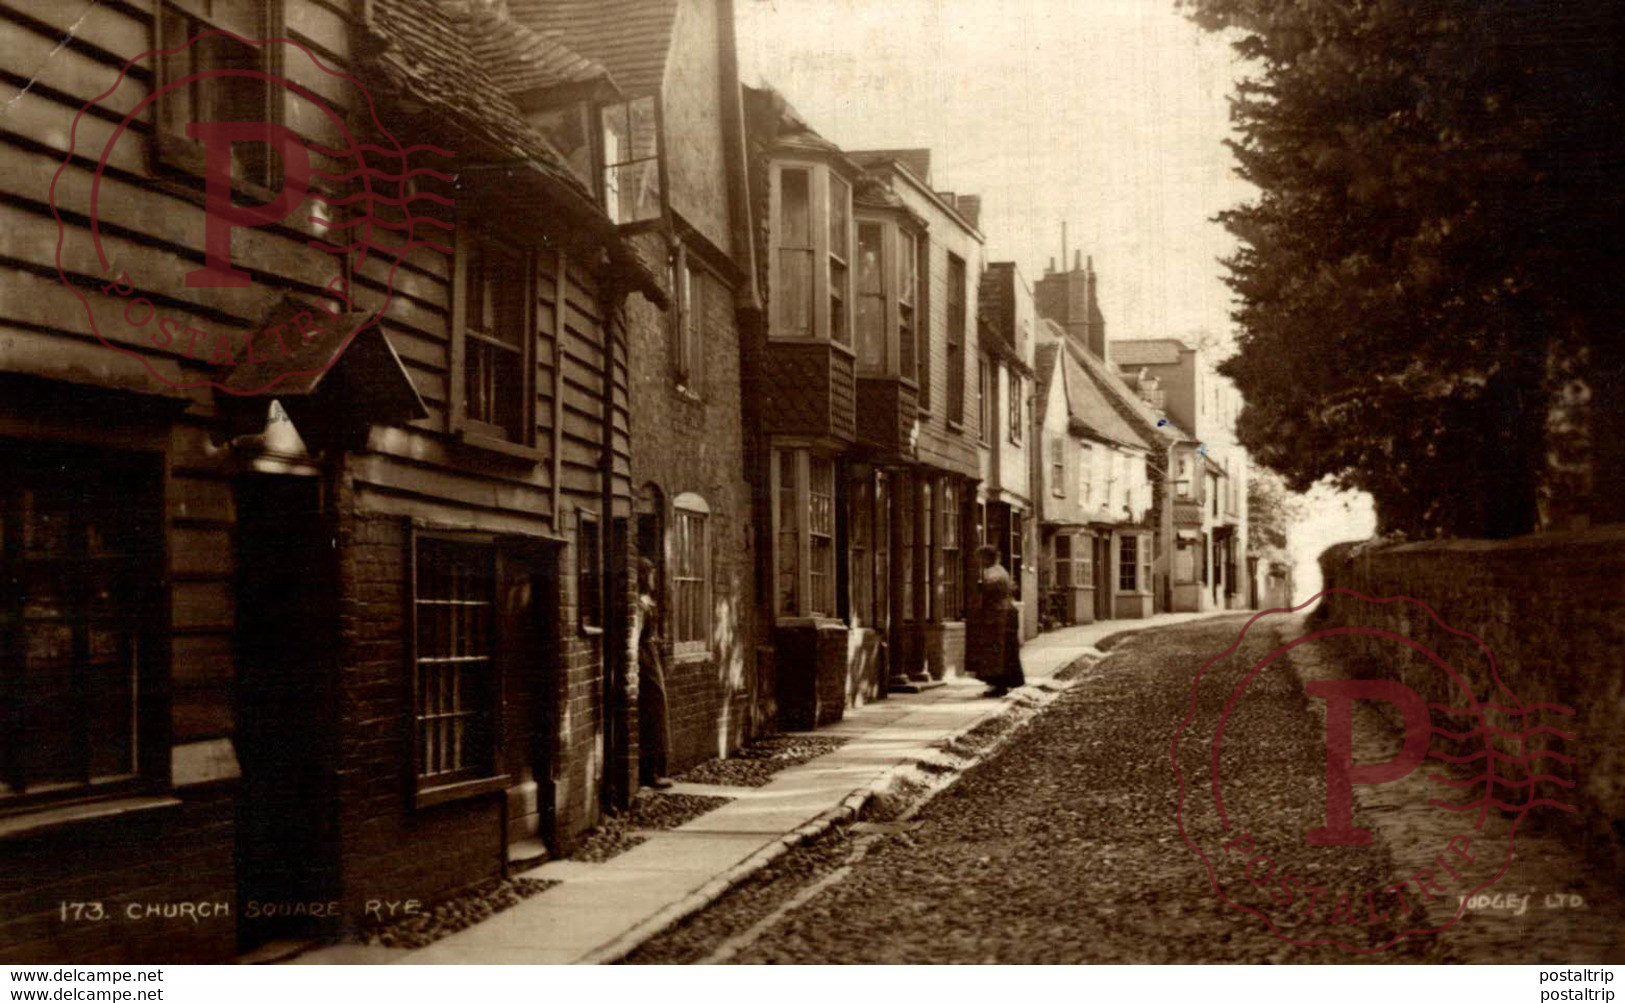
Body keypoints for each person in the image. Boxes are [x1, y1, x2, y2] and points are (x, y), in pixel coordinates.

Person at [635, 558, 673, 789]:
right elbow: (636, 635)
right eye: (649, 574)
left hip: (651, 657)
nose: (652, 578)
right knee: (652, 711)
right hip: (644, 660)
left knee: (658, 711)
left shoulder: (647, 601)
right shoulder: (639, 604)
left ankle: (657, 767)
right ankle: (649, 772)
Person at [970, 544, 1025, 697]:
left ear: (987, 558)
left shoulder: (993, 573)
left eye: (981, 558)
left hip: (998, 616)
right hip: (1003, 613)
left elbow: (986, 588)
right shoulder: (1000, 570)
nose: (979, 561)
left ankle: (1000, 684)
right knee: (1002, 651)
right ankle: (1000, 683)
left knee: (998, 651)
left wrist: (979, 584)